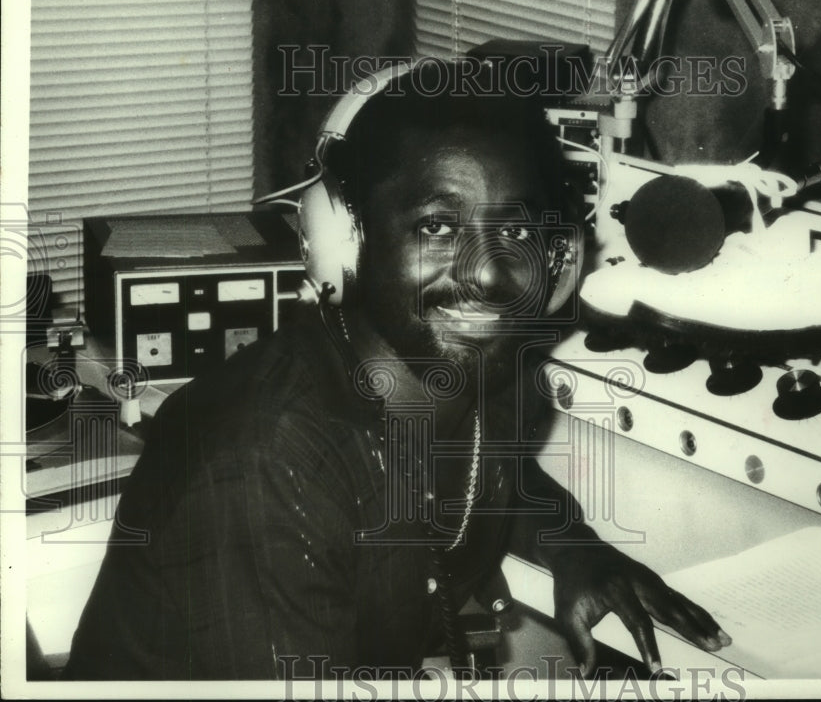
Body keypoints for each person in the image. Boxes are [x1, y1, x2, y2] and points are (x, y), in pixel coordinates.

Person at [63, 60, 730, 680]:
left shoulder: (464, 376)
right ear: (345, 243)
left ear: (558, 260)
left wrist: (572, 544)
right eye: (438, 227)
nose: (492, 273)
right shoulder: (265, 466)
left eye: (520, 233)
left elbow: (486, 481)